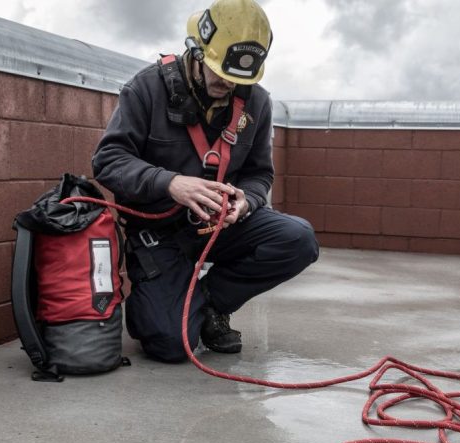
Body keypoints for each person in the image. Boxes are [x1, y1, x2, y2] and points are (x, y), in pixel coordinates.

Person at [92, 0, 319, 363]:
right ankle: (165, 302)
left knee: (298, 239)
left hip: (218, 228)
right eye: (218, 72)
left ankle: (211, 304)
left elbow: (260, 173)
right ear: (195, 50)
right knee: (170, 344)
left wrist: (247, 202)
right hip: (160, 234)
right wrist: (171, 183)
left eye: (237, 78)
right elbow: (107, 162)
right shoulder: (145, 89)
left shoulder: (256, 103)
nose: (227, 83)